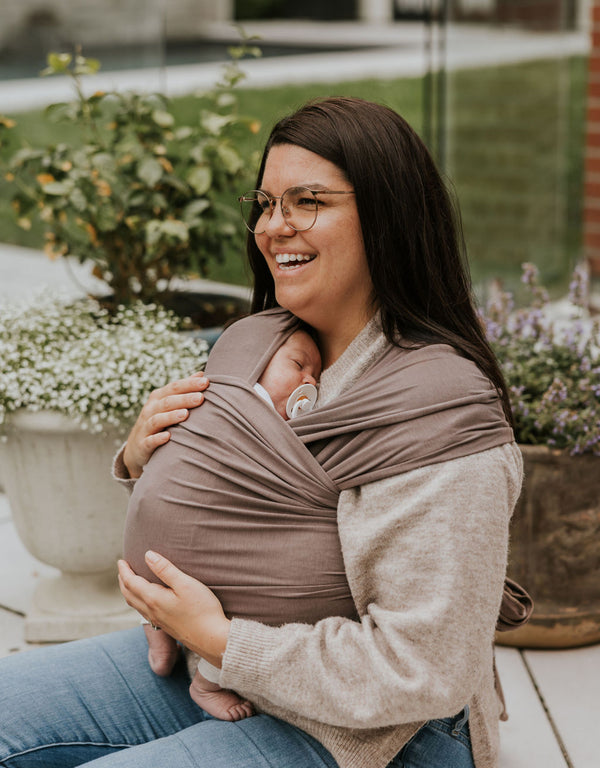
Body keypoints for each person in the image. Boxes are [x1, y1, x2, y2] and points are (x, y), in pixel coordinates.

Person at [0, 96, 523, 768]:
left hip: (384, 730)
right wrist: (145, 458)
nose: (274, 226)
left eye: (308, 201)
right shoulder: (266, 348)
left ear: (387, 215)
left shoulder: (437, 414)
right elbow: (239, 519)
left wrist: (223, 641)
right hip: (217, 662)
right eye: (266, 204)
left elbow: (422, 668)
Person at [135, 327, 322, 722]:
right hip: (175, 531)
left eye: (317, 375)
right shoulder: (220, 398)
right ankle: (169, 642)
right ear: (254, 364)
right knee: (174, 592)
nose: (311, 381)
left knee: (232, 613)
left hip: (199, 551)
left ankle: (200, 675)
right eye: (298, 365)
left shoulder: (288, 430)